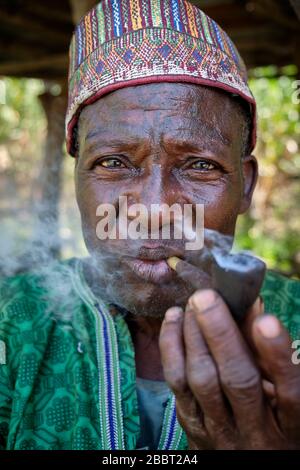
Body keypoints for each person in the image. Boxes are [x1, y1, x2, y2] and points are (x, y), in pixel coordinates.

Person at [0, 0, 299, 451]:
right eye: (114, 163)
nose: (155, 208)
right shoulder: (10, 324)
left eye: (199, 165)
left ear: (245, 187)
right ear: (78, 177)